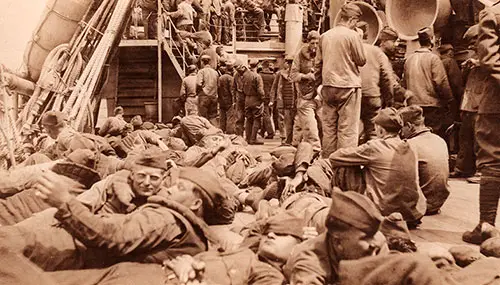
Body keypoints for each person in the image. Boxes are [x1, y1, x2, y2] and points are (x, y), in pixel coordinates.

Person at [0, 164, 233, 271]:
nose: (169, 190)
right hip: (70, 246)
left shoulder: (170, 219)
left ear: (194, 203)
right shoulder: (176, 222)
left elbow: (114, 237)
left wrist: (64, 202)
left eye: (179, 187)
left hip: (69, 252)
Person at [329, 108, 427, 225]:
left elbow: (335, 157)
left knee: (345, 167)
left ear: (380, 129)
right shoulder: (410, 146)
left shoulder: (375, 146)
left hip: (384, 212)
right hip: (412, 213)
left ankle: (345, 208)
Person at [284, 191, 389, 284]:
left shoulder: (377, 242)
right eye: (364, 238)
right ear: (338, 242)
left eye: (372, 235)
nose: (373, 243)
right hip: (301, 205)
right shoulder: (310, 260)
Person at [463, 1, 500, 245]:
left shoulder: (494, 14)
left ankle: (486, 226)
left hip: (496, 100)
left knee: (492, 160)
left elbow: (489, 59)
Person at [315, 3, 366, 158]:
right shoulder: (353, 36)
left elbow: (318, 64)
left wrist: (319, 86)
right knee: (347, 130)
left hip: (328, 86)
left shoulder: (325, 36)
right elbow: (361, 60)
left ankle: (327, 166)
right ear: (352, 19)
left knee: (329, 129)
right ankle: (344, 168)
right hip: (348, 86)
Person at [399, 105, 450, 215]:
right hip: (437, 202)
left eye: (401, 128)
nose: (401, 133)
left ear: (409, 126)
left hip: (420, 205)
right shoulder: (440, 140)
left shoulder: (410, 144)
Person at [403, 27, 453, 139]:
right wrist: (449, 100)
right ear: (431, 39)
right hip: (432, 105)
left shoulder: (409, 59)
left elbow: (404, 84)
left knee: (416, 135)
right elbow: (441, 82)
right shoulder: (433, 59)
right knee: (433, 136)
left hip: (413, 105)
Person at [451, 25, 481, 180]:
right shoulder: (474, 56)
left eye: (474, 40)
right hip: (469, 103)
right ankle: (463, 168)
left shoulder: (492, 55)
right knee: (465, 137)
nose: (471, 45)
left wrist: (479, 64)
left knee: (480, 140)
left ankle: (482, 171)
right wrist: (465, 69)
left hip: (482, 105)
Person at [359, 27, 395, 142]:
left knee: (350, 130)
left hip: (353, 94)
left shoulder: (350, 50)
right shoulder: (377, 53)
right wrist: (389, 98)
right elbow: (387, 78)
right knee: (373, 130)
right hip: (372, 95)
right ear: (367, 35)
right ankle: (373, 155)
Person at [290, 30, 321, 151]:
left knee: (325, 126)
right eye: (312, 43)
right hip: (306, 96)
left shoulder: (325, 53)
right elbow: (293, 75)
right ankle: (314, 150)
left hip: (321, 96)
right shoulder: (300, 55)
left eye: (317, 43)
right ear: (308, 42)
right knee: (310, 128)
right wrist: (306, 76)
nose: (315, 46)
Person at [234, 59, 265, 144]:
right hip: (256, 99)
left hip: (246, 99)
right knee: (257, 119)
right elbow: (260, 91)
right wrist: (263, 99)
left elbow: (238, 89)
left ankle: (248, 138)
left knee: (249, 119)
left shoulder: (241, 76)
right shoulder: (256, 76)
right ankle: (253, 139)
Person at [271, 56, 297, 145]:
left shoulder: (296, 74)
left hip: (294, 102)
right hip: (283, 101)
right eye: (289, 62)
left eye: (291, 62)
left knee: (292, 121)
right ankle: (284, 138)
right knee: (284, 121)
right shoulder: (280, 74)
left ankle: (291, 139)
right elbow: (274, 88)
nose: (290, 64)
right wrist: (272, 100)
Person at [438, 43, 464, 125]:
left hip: (440, 100)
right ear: (450, 52)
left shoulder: (437, 62)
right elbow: (456, 83)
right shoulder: (450, 62)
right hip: (451, 98)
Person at [196, 54, 219, 125]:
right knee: (213, 117)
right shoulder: (215, 72)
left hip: (204, 96)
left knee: (202, 118)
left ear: (202, 62)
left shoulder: (201, 71)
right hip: (213, 96)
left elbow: (198, 84)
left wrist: (199, 92)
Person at [258, 60, 276, 139]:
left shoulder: (260, 75)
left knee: (265, 115)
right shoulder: (273, 76)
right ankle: (262, 131)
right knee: (268, 113)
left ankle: (270, 132)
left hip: (263, 96)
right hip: (271, 97)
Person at [218, 62, 234, 132]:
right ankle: (229, 131)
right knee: (230, 117)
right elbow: (232, 91)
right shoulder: (231, 78)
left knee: (222, 117)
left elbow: (218, 89)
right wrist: (234, 101)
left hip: (221, 100)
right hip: (229, 100)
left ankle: (222, 130)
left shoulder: (220, 78)